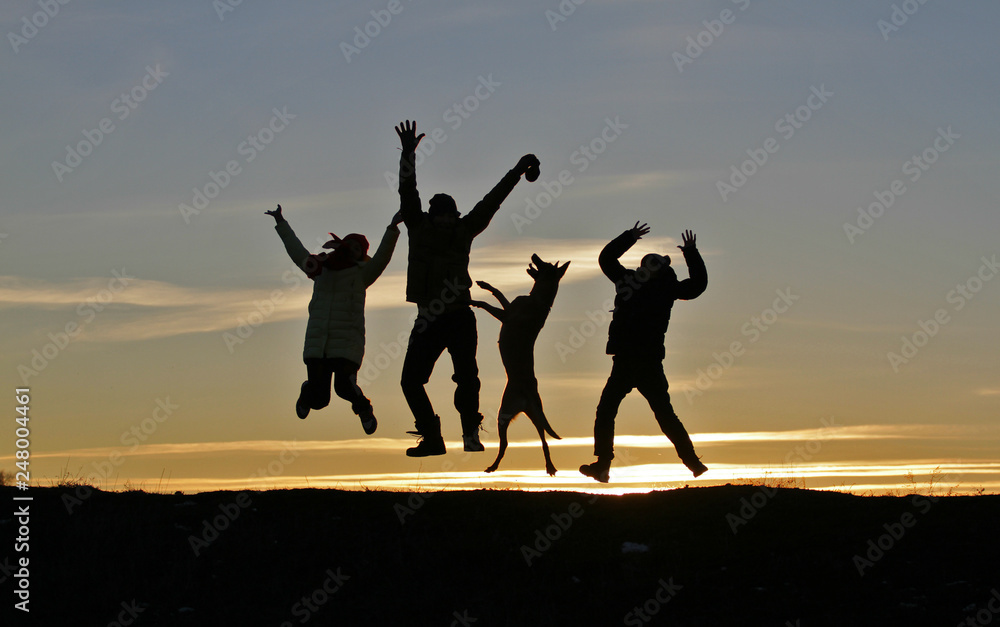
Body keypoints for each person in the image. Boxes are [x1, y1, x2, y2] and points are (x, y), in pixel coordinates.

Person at [394, 119, 539, 457]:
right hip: (428, 317)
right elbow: (407, 191)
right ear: (432, 216)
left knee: (467, 377)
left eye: (449, 215)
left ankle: (470, 432)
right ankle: (432, 438)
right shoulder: (418, 226)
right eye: (441, 215)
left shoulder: (464, 230)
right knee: (410, 381)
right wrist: (407, 154)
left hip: (459, 316)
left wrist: (517, 172)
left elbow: (492, 201)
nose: (446, 220)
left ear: (454, 216)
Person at [580, 222, 709, 482]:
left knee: (610, 411)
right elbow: (697, 285)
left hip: (633, 361)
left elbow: (606, 259)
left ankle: (604, 465)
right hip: (643, 362)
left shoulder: (642, 284)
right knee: (657, 413)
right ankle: (692, 463)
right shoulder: (664, 288)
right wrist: (691, 253)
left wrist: (629, 238)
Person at [265, 203, 401, 434]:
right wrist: (281, 223)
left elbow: (382, 258)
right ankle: (307, 392)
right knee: (320, 400)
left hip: (347, 343)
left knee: (344, 387)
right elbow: (297, 252)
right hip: (318, 343)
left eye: (360, 249)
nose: (355, 251)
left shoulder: (361, 275)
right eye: (353, 246)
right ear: (344, 246)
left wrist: (392, 228)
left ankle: (364, 410)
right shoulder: (320, 269)